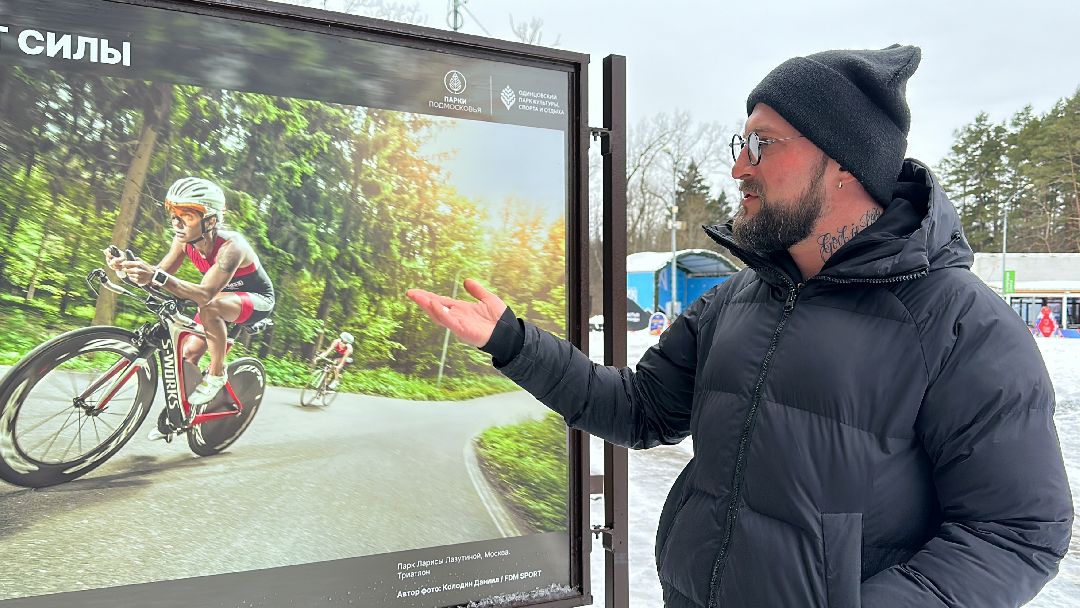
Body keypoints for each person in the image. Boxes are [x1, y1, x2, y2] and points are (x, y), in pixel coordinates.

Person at [408, 46, 1072, 607]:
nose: (739, 167)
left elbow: (1018, 530)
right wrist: (513, 344)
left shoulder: (962, 326)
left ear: (844, 162)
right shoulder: (736, 300)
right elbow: (641, 410)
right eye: (741, 142)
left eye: (763, 144)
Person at [107, 177, 275, 437]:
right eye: (174, 215)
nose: (177, 223)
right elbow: (160, 276)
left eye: (187, 216)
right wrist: (129, 271)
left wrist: (155, 276)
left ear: (210, 220)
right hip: (219, 300)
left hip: (254, 298)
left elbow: (206, 294)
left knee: (211, 307)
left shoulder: (232, 246)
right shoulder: (183, 241)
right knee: (187, 354)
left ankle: (217, 373)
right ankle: (184, 415)